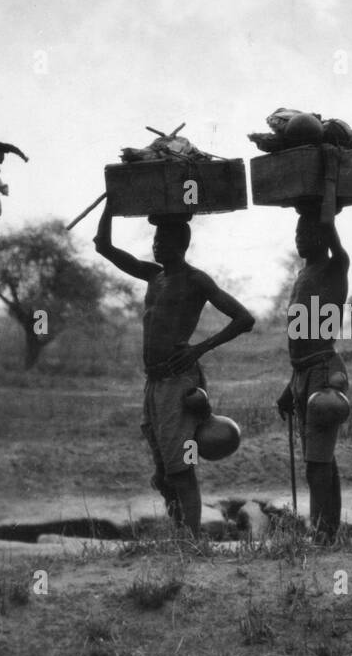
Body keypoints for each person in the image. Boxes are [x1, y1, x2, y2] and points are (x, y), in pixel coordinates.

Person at [94, 210, 254, 537]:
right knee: (164, 472)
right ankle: (181, 535)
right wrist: (110, 207)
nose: (155, 245)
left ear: (180, 244)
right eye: (154, 239)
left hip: (179, 382)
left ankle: (192, 542)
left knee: (181, 468)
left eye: (163, 240)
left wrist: (200, 348)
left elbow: (243, 318)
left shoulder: (196, 280)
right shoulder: (153, 275)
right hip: (153, 382)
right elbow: (103, 247)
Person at [277, 201, 349, 542]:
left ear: (326, 235)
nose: (301, 238)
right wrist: (290, 385)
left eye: (310, 231)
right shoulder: (302, 276)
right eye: (297, 232)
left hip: (323, 373)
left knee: (316, 463)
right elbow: (298, 341)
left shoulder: (335, 269)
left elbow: (338, 247)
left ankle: (323, 534)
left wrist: (326, 208)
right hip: (303, 374)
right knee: (320, 459)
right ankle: (328, 530)